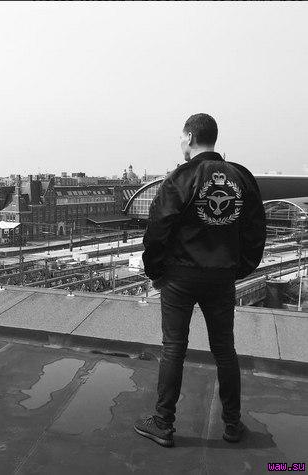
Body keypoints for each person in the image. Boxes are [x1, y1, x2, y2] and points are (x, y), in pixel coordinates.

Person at [134, 113, 266, 448]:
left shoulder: (181, 177)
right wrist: (238, 268)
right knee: (224, 350)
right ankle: (232, 424)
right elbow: (255, 231)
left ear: (190, 137)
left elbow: (158, 229)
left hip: (180, 275)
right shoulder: (241, 177)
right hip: (222, 275)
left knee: (173, 348)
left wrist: (155, 271)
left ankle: (163, 423)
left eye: (181, 137)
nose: (180, 142)